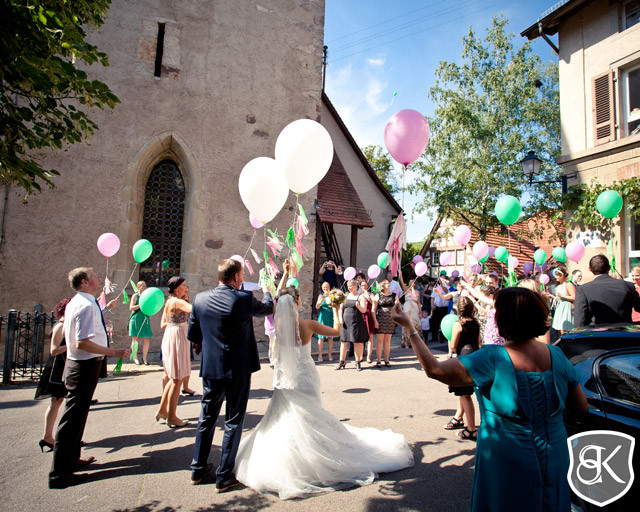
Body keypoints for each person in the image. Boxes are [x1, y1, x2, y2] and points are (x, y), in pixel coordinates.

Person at [391, 287, 588, 512]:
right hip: (555, 453)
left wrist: (409, 327)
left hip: (507, 458)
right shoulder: (557, 355)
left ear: (502, 319)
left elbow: (435, 369)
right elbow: (580, 407)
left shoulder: (492, 357)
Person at [234, 287, 414, 500]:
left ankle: (295, 458)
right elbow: (337, 331)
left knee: (285, 415)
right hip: (305, 376)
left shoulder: (279, 325)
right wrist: (338, 309)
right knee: (311, 414)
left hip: (285, 377)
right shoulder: (308, 325)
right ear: (297, 303)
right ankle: (316, 454)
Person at [188, 258, 274, 490]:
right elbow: (269, 308)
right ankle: (224, 475)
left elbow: (193, 335)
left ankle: (197, 469)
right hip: (238, 368)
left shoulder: (200, 299)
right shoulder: (243, 299)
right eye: (243, 275)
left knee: (206, 417)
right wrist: (267, 291)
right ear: (235, 277)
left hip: (211, 368)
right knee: (233, 420)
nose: (244, 278)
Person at [48, 268, 129, 489]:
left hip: (85, 364)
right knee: (72, 418)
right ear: (84, 282)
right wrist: (114, 352)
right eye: (93, 276)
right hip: (82, 365)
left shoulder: (83, 301)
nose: (98, 279)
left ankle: (72, 459)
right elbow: (81, 342)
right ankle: (59, 474)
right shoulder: (84, 305)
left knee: (79, 414)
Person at [35, 298, 71, 452]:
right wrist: (71, 345)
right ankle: (47, 436)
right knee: (55, 402)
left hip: (62, 366)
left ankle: (49, 436)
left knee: (59, 401)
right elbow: (53, 350)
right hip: (56, 368)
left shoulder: (66, 325)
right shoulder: (60, 326)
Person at [156, 276, 192, 428]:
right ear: (177, 288)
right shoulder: (177, 302)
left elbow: (164, 323)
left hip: (172, 335)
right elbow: (195, 309)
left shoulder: (169, 301)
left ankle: (162, 411)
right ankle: (172, 417)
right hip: (178, 337)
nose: (186, 287)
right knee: (177, 379)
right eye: (184, 285)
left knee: (173, 378)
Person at [443, 297, 480, 440]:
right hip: (475, 356)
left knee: (465, 394)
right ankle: (459, 418)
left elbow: (452, 345)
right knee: (465, 392)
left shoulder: (458, 324)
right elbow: (478, 342)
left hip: (463, 358)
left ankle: (471, 429)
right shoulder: (476, 323)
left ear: (458, 309)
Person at [574, 254, 640, 326]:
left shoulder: (583, 289)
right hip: (623, 333)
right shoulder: (627, 286)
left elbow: (579, 320)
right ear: (609, 268)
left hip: (597, 334)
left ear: (590, 269)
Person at [336, 279, 369, 371]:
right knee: (343, 342)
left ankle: (357, 362)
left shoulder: (361, 296)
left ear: (356, 286)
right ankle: (342, 362)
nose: (350, 288)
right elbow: (340, 309)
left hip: (356, 322)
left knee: (356, 342)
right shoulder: (346, 296)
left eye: (351, 286)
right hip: (346, 322)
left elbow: (364, 310)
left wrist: (358, 306)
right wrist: (340, 318)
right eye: (349, 286)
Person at [373, 279, 399, 367]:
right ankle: (379, 360)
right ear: (383, 286)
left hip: (390, 320)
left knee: (388, 341)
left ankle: (387, 360)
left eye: (389, 283)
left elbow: (398, 306)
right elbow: (373, 310)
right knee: (380, 341)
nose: (389, 284)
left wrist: (397, 303)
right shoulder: (378, 295)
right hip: (380, 319)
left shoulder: (394, 295)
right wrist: (375, 321)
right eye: (387, 283)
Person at [128, 280, 153, 365]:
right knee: (135, 339)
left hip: (145, 318)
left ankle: (144, 358)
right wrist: (140, 304)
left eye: (145, 285)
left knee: (146, 339)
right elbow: (131, 308)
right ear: (138, 287)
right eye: (142, 285)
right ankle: (135, 358)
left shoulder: (147, 296)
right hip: (136, 318)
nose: (144, 287)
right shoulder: (135, 296)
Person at [549, 266, 575, 335]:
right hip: (560, 307)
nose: (556, 277)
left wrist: (561, 295)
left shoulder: (568, 285)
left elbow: (574, 297)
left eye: (557, 276)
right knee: (561, 328)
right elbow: (559, 299)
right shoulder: (559, 286)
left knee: (567, 328)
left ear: (562, 275)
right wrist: (551, 296)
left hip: (567, 307)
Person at [315, 281, 337, 362]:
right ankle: (320, 355)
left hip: (330, 316)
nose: (326, 289)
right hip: (323, 317)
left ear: (329, 287)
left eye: (327, 287)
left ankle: (330, 354)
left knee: (330, 338)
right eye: (324, 288)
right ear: (322, 289)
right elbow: (317, 307)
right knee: (321, 338)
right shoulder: (321, 296)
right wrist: (320, 301)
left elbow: (336, 305)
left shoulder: (332, 296)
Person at [399, 274, 421, 348]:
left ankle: (415, 342)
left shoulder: (417, 292)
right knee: (407, 324)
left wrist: (420, 312)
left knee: (416, 324)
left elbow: (418, 302)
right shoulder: (406, 290)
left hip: (415, 308)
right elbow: (402, 283)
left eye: (412, 282)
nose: (411, 283)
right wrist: (400, 275)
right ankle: (406, 342)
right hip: (407, 307)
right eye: (410, 282)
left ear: (414, 283)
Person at [359, 280, 377, 363]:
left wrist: (367, 295)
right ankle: (361, 355)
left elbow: (373, 304)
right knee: (361, 338)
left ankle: (369, 357)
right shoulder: (359, 294)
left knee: (370, 338)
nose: (364, 287)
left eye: (365, 285)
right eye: (362, 285)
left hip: (369, 316)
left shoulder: (370, 294)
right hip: (361, 316)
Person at [430, 276, 450, 343]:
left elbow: (446, 291)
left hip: (444, 308)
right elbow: (432, 298)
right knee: (434, 323)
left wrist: (442, 283)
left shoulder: (448, 288)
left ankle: (442, 337)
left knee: (443, 323)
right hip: (437, 307)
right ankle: (434, 337)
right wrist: (432, 305)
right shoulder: (436, 288)